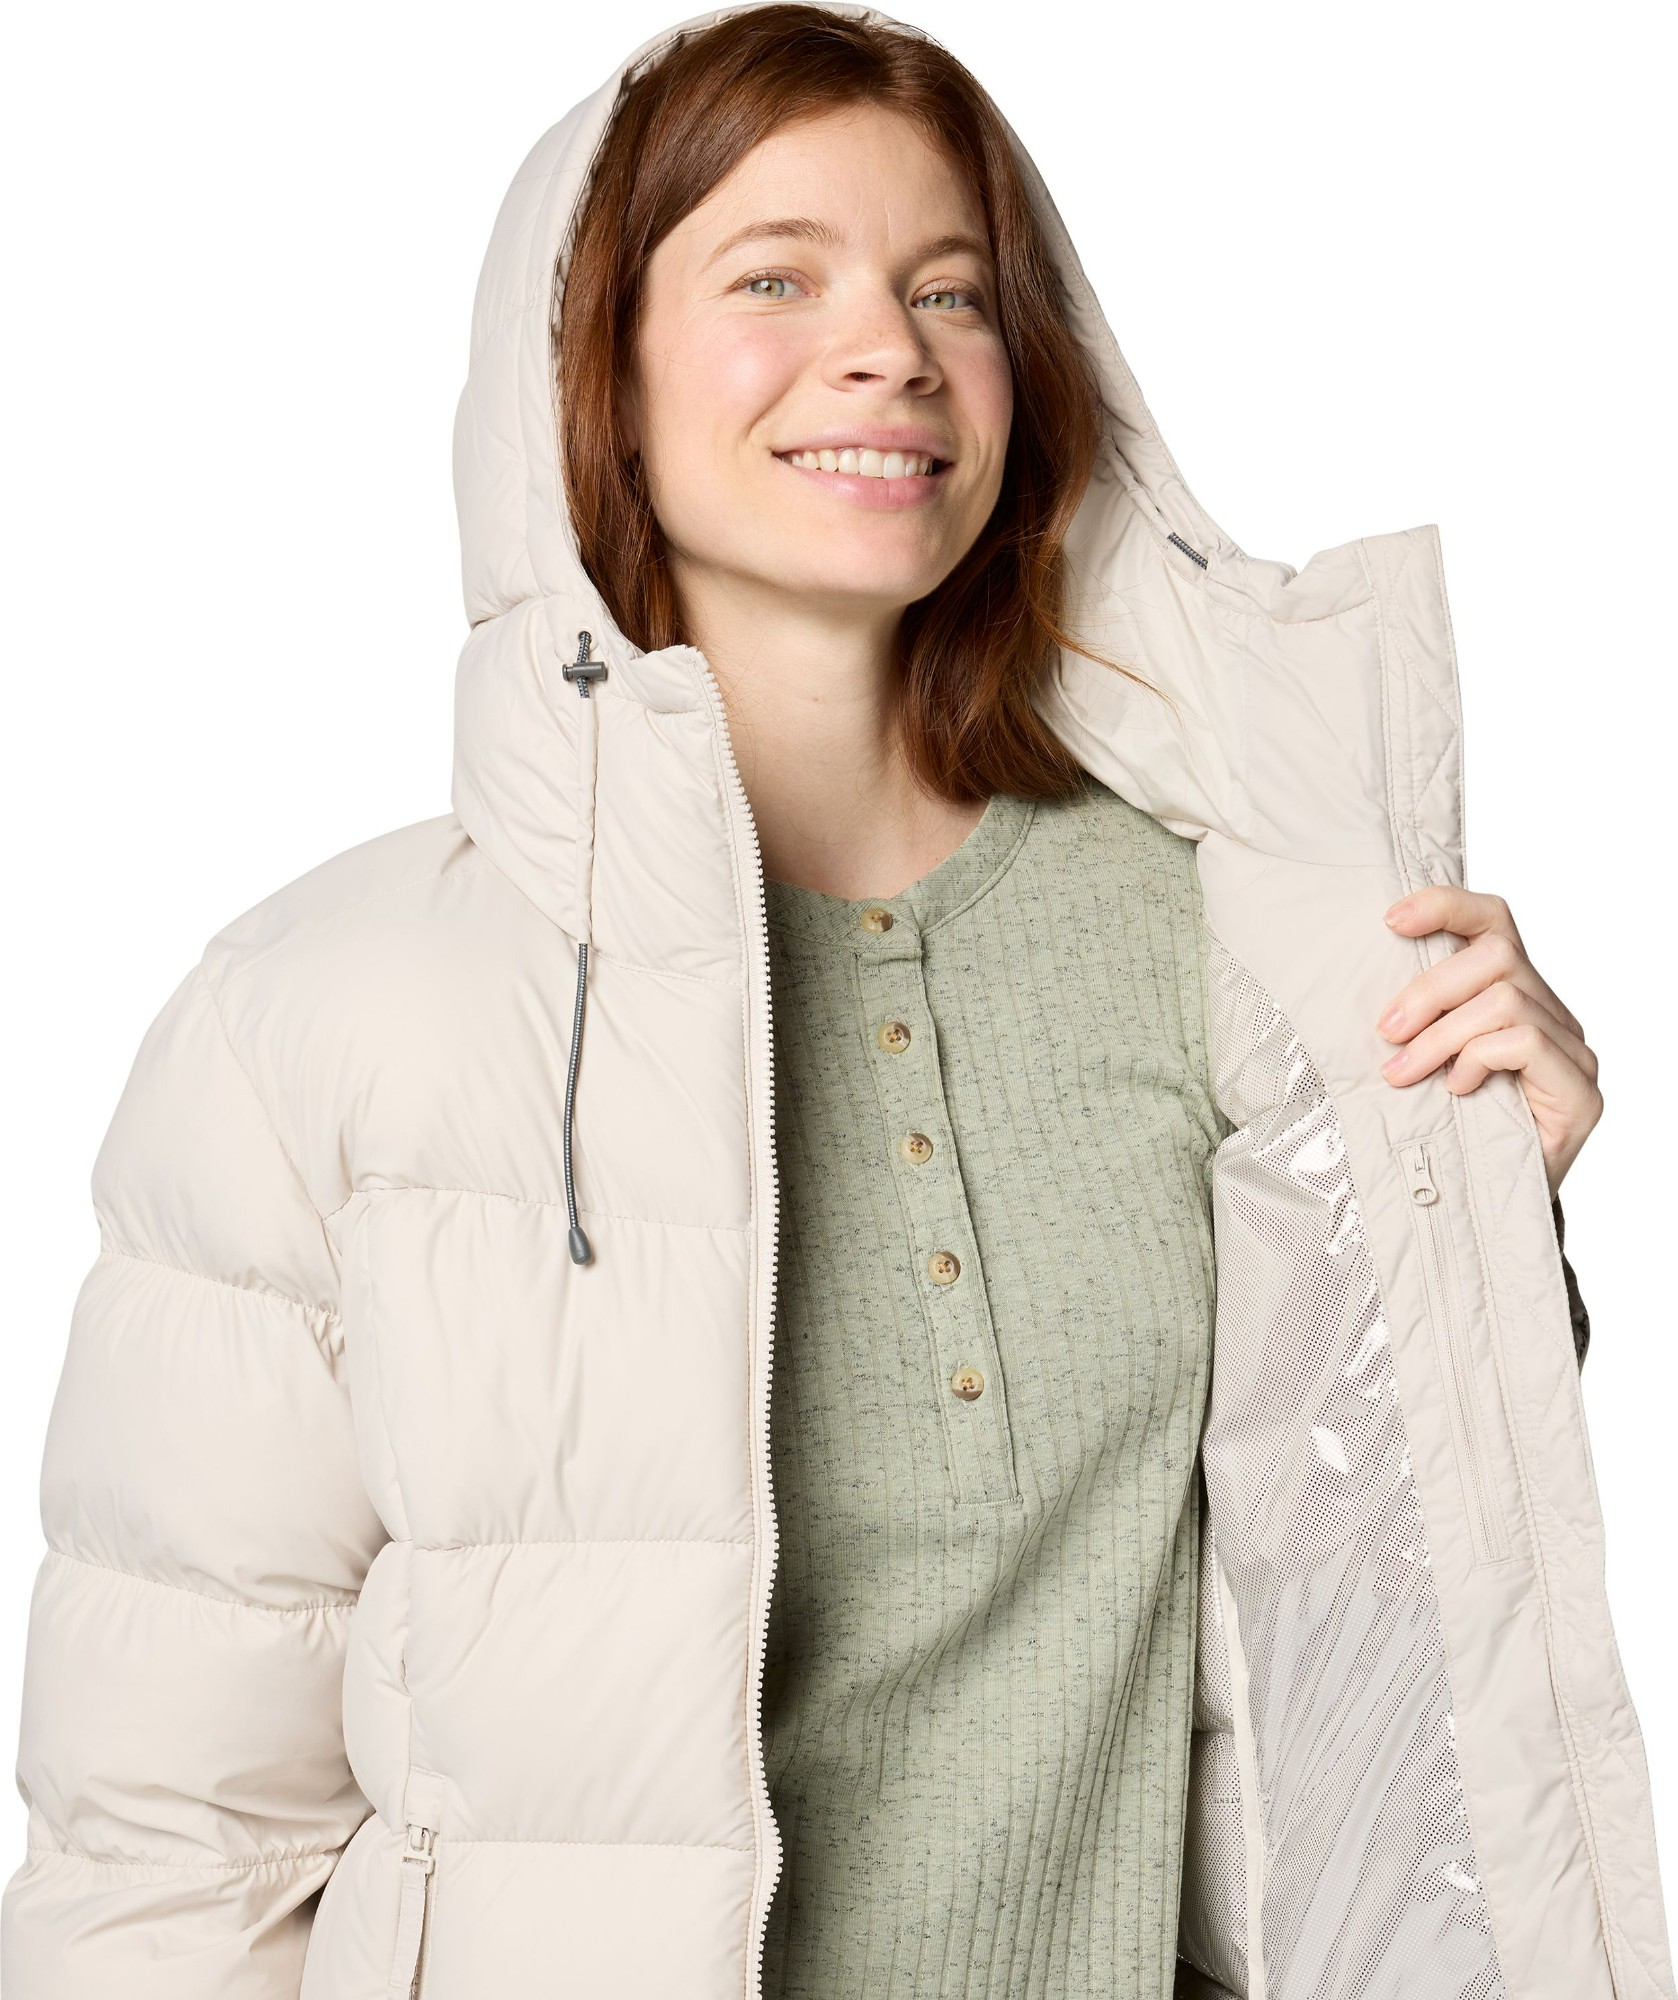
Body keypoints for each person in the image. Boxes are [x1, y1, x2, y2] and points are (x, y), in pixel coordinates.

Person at [2, 6, 1666, 1999]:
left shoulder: (1229, 946)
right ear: (594, 374)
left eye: (947, 292)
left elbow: (1359, 1651)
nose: (885, 346)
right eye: (773, 277)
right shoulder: (322, 1013)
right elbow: (168, 1856)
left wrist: (1463, 1214)